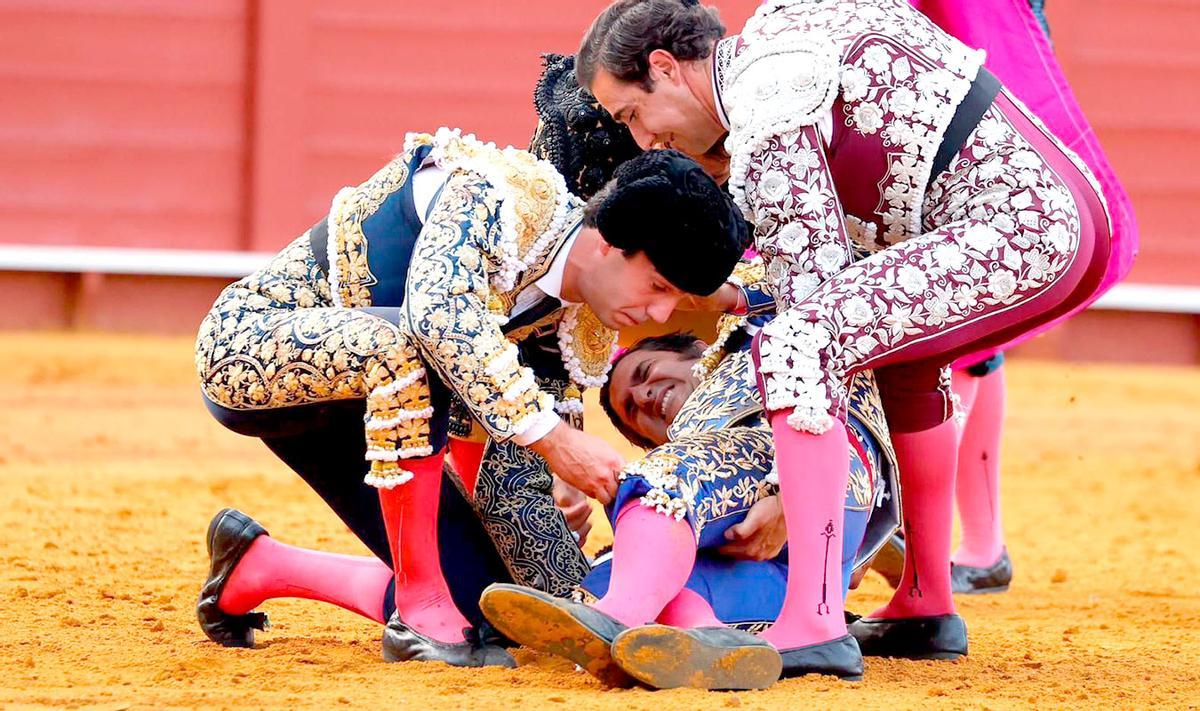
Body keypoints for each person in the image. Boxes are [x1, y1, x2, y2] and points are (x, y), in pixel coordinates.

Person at [575, 0, 1113, 676]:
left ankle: (814, 619)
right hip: (1057, 212)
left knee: (799, 343)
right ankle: (925, 600)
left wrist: (781, 485)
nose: (644, 141)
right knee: (900, 360)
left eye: (631, 115)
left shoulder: (763, 106)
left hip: (1017, 228)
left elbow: (812, 304)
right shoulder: (781, 33)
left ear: (664, 68)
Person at [194, 75, 749, 665]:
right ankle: (417, 608)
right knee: (404, 346)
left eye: (677, 301)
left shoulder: (582, 323)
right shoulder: (502, 193)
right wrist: (555, 440)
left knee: (500, 607)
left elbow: (507, 473)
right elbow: (440, 318)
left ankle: (257, 567)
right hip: (253, 349)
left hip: (374, 421)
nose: (658, 313)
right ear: (610, 242)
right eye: (658, 286)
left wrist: (594, 586)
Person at [481, 311, 901, 689]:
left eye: (644, 372)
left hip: (825, 481)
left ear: (701, 349)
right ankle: (707, 639)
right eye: (633, 411)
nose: (644, 396)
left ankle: (616, 618)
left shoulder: (747, 341)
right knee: (615, 569)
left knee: (655, 480)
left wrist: (786, 488)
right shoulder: (693, 459)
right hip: (786, 583)